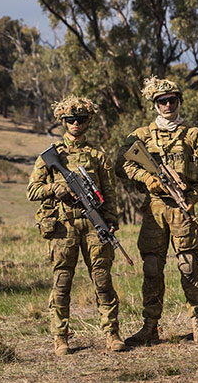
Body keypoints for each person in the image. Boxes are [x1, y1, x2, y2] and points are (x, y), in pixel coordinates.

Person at [27, 96, 126, 356]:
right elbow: (32, 191)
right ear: (63, 121)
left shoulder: (97, 156)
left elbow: (110, 193)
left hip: (94, 224)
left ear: (88, 121)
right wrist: (55, 188)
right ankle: (60, 337)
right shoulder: (51, 156)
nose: (75, 124)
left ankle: (112, 332)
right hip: (63, 227)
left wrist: (111, 221)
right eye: (70, 120)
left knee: (102, 279)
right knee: (62, 282)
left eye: (81, 119)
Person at [122, 77, 198, 346]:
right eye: (162, 101)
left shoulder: (194, 135)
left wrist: (192, 199)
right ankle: (150, 326)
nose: (167, 105)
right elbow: (123, 164)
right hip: (154, 210)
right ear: (155, 105)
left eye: (172, 100)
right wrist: (147, 178)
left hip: (182, 209)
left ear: (179, 101)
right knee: (152, 267)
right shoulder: (141, 135)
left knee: (188, 266)